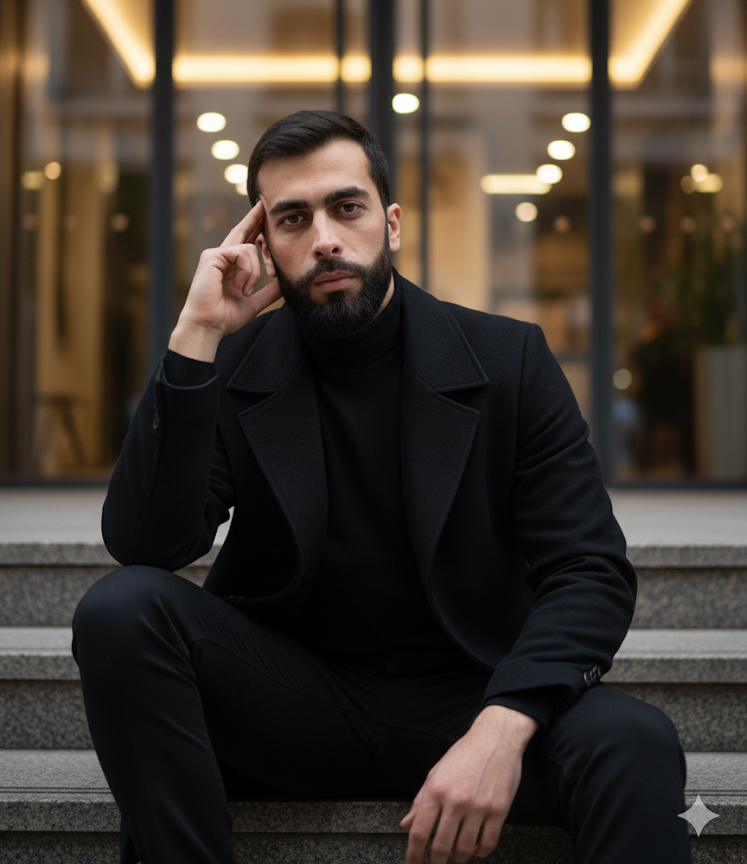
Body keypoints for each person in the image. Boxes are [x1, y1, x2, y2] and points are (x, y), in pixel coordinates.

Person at [73, 110, 692, 864]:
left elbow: (587, 570)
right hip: (295, 704)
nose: (325, 237)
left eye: (347, 207)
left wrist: (502, 727)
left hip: (470, 693)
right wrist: (195, 337)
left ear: (390, 224)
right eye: (293, 219)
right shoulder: (234, 364)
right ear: (262, 246)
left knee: (634, 741)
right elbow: (146, 546)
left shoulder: (508, 360)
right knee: (119, 608)